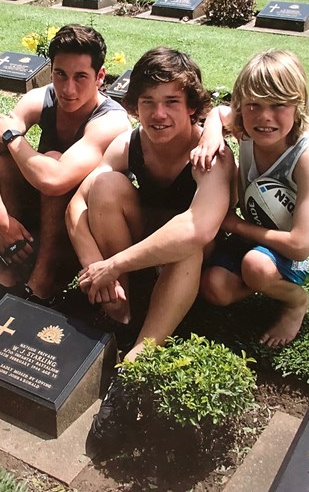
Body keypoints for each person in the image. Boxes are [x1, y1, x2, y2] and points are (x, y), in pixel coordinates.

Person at [66, 46, 235, 445]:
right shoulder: (129, 145)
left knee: (184, 243)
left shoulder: (213, 157)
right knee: (106, 187)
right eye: (148, 102)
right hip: (140, 260)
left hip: (189, 264)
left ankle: (138, 358)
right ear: (135, 106)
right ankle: (123, 311)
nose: (158, 114)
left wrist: (114, 263)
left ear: (193, 106)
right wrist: (95, 266)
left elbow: (196, 230)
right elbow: (77, 204)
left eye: (172, 102)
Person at [0, 25, 131, 319]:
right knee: (3, 161)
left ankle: (41, 286)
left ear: (100, 78)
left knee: (48, 160)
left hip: (82, 231)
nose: (68, 89)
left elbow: (55, 179)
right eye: (60, 74)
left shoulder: (111, 121)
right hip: (43, 216)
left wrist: (13, 137)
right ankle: (5, 278)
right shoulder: (41, 99)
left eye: (81, 77)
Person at [191, 49, 309, 348]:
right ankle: (265, 279)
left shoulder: (308, 157)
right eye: (253, 105)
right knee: (215, 288)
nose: (264, 117)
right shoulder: (246, 126)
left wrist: (234, 226)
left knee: (256, 267)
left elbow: (301, 246)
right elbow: (218, 113)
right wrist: (211, 136)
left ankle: (295, 301)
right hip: (261, 229)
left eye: (278, 105)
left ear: (298, 105)